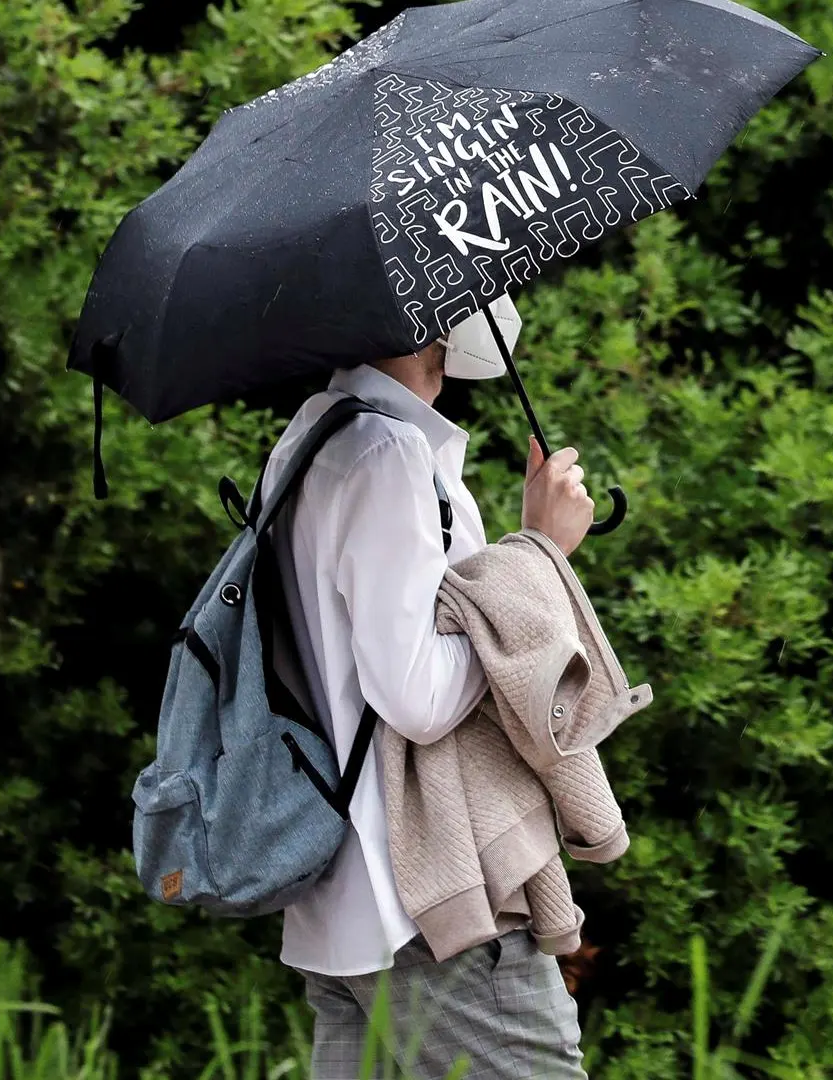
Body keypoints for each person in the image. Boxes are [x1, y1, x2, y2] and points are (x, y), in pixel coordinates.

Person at [260, 328, 597, 1079]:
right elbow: (417, 695)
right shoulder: (386, 453)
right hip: (428, 899)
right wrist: (539, 554)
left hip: (340, 902)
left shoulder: (306, 442)